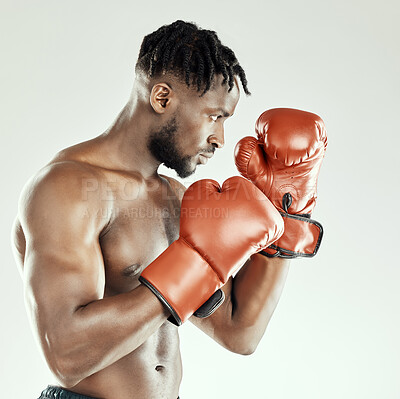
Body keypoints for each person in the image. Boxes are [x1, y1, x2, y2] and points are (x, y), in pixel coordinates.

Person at [11, 20, 299, 399]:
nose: (220, 139)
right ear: (162, 98)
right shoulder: (66, 188)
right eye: (214, 116)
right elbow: (65, 355)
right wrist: (193, 264)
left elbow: (239, 332)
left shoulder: (176, 198)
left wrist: (287, 217)